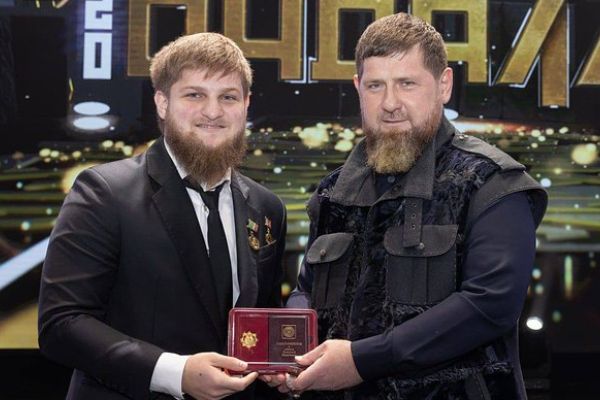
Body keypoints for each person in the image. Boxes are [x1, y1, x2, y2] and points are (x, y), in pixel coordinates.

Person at [283, 12, 547, 399]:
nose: (390, 103)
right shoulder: (333, 191)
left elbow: (489, 306)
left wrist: (361, 360)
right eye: (375, 86)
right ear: (358, 88)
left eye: (406, 83)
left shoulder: (491, 182)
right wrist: (287, 343)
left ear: (444, 85)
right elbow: (307, 290)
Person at [38, 32, 286, 400]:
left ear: (246, 104)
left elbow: (261, 321)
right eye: (194, 95)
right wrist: (175, 373)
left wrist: (278, 367)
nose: (213, 112)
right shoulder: (104, 192)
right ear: (162, 102)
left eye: (228, 97)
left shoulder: (266, 207)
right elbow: (62, 324)